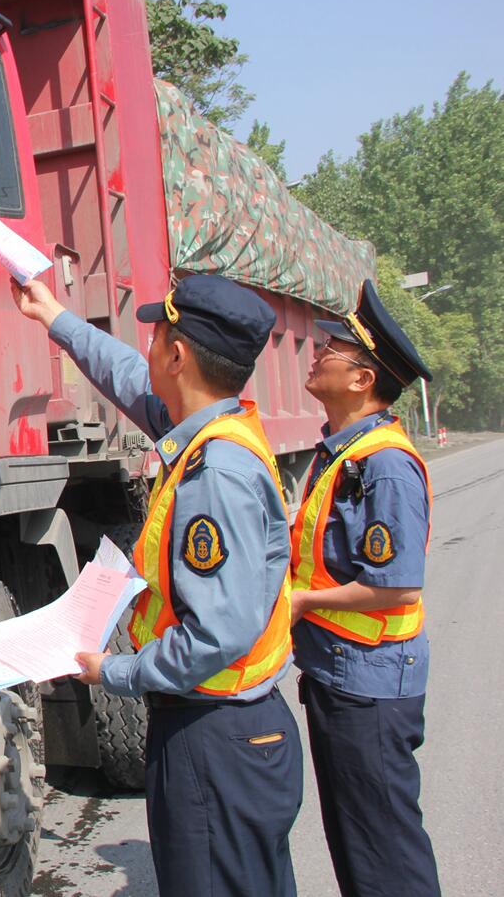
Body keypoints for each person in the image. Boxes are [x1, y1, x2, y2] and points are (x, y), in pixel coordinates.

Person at [11, 273, 303, 897]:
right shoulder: (210, 430)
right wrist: (56, 318)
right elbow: (125, 377)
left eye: (156, 335)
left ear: (179, 354)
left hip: (215, 735)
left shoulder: (215, 473)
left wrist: (111, 672)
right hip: (229, 728)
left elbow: (213, 637)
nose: (146, 347)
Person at [291, 280, 441, 897]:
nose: (317, 352)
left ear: (362, 380)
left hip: (370, 682)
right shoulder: (342, 454)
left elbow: (396, 586)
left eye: (332, 349)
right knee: (358, 840)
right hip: (342, 672)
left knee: (384, 851)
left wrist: (301, 602)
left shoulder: (384, 464)